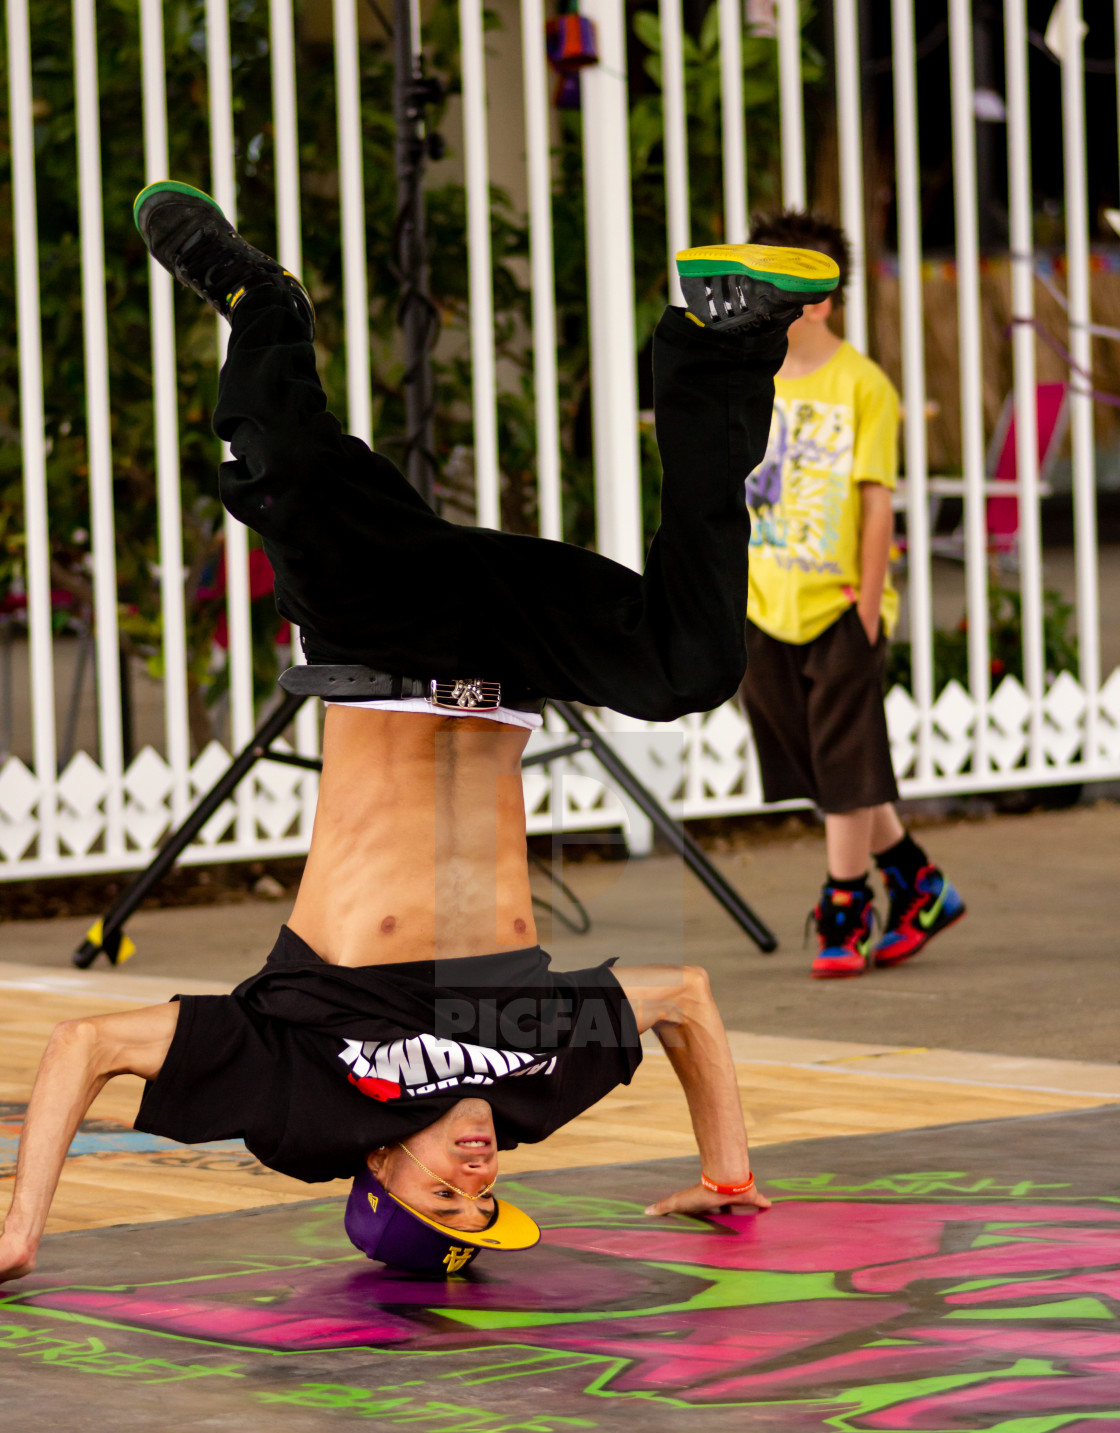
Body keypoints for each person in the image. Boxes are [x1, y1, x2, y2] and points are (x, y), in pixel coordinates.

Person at [0, 189, 838, 1284]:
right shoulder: (532, 1071)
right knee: (694, 666)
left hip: (378, 634)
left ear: (378, 1168)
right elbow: (685, 1002)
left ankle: (262, 301)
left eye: (445, 1193)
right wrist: (726, 1176)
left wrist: (21, 1233)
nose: (478, 1175)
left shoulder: (302, 1105)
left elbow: (85, 1050)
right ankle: (715, 345)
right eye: (484, 1201)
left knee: (283, 476)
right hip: (507, 654)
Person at [736, 208, 965, 979]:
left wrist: (868, 606)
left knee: (841, 756)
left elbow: (876, 503)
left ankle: (846, 903)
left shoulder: (863, 385)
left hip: (839, 600)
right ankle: (917, 880)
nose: (756, 291)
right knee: (816, 764)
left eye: (777, 281)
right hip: (763, 598)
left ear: (819, 298)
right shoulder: (746, 379)